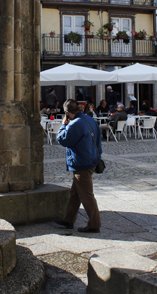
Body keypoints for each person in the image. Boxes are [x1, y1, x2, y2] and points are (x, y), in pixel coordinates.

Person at [54, 99, 102, 233]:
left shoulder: (75, 124)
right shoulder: (90, 119)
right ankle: (68, 220)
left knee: (87, 196)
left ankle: (94, 224)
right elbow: (98, 140)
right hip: (91, 160)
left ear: (67, 113)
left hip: (82, 163)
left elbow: (63, 140)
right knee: (75, 193)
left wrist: (63, 126)